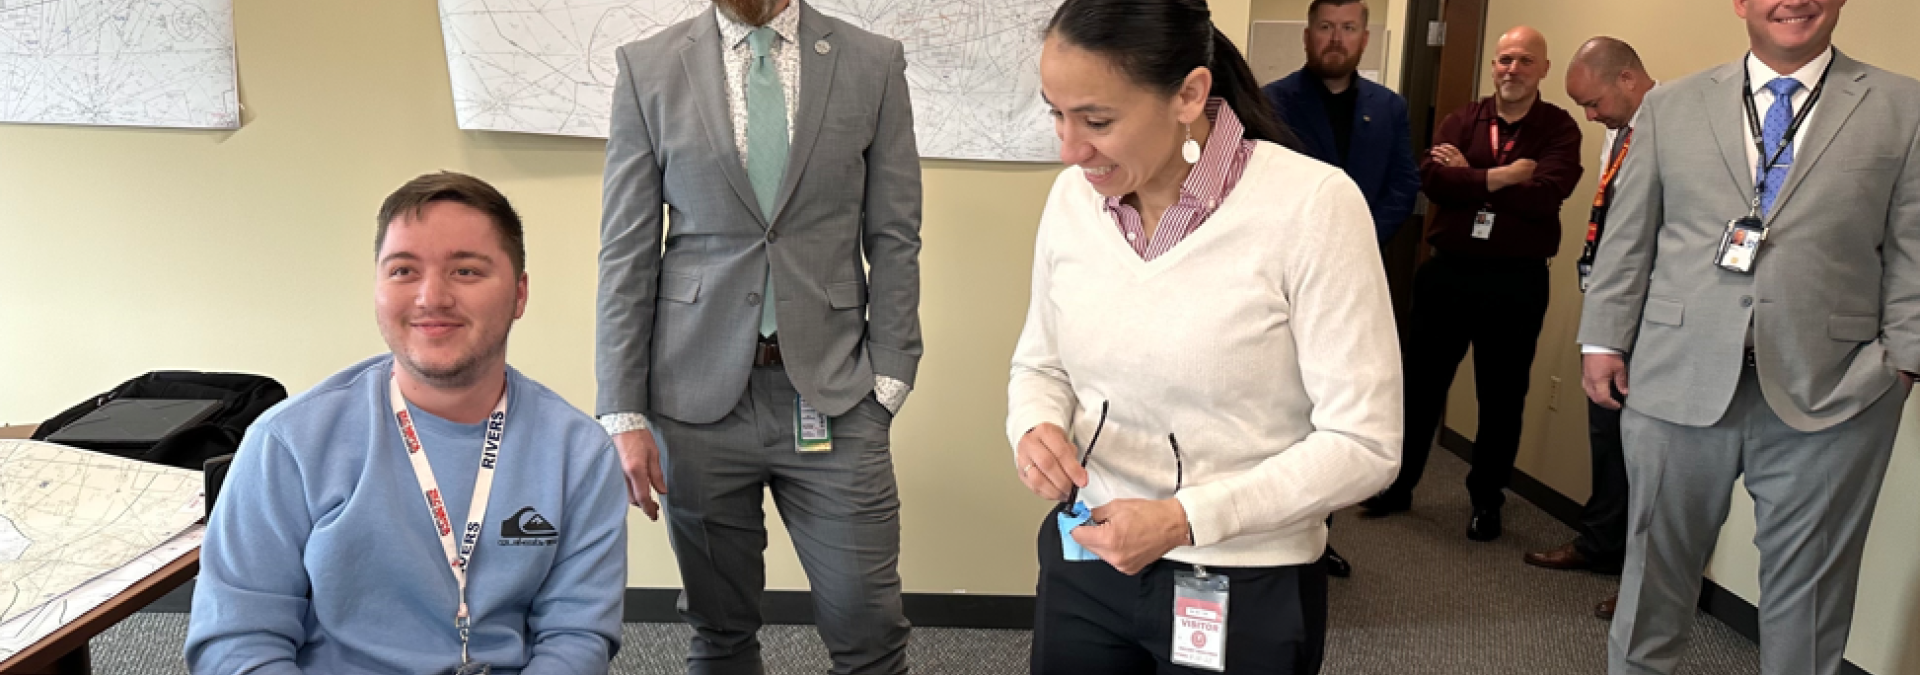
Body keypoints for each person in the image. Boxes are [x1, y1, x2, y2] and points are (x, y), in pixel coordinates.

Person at [1010, 0, 1401, 671]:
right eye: (1056, 111)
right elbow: (1040, 363)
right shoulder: (1073, 199)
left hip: (1246, 576)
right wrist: (1032, 423)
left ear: (1189, 94)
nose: (1069, 149)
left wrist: (1183, 517)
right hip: (1090, 557)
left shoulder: (1312, 206)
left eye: (1097, 120)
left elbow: (1364, 443)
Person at [1579, 0, 1920, 672]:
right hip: (1675, 380)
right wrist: (1603, 340)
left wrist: (1901, 365)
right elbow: (1630, 238)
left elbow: (1915, 248)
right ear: (1740, 2)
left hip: (1836, 393)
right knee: (1652, 582)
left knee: (1812, 605)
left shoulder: (1902, 106)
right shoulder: (1670, 106)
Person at [185, 172, 628, 674]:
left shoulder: (578, 452)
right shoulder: (289, 443)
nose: (431, 297)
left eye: (466, 271)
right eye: (403, 271)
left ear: (520, 294)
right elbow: (237, 642)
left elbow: (577, 634)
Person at [596, 0, 923, 671]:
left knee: (869, 625)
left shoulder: (873, 62)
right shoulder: (647, 67)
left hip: (834, 390)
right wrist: (622, 409)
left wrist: (889, 375)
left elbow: (894, 234)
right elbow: (626, 251)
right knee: (719, 626)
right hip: (694, 400)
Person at [1360, 26, 1583, 542]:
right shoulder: (1463, 118)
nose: (1513, 69)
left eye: (1526, 60)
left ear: (1543, 69)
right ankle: (1398, 486)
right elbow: (1433, 182)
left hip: (1517, 281)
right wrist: (1503, 176)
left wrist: (1472, 177)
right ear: (1493, 66)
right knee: (1420, 388)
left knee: (1502, 397)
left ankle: (1487, 501)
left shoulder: (1558, 128)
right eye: (1505, 59)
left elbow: (1548, 194)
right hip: (1449, 273)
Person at [1525, 36, 1654, 621]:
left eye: (1594, 103)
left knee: (1649, 454)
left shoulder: (1670, 128)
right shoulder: (1618, 132)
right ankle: (1601, 545)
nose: (1590, 116)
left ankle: (1646, 580)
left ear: (1627, 79)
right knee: (1608, 435)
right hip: (1613, 314)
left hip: (1657, 321)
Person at [1261, 0, 1420, 247]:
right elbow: (1261, 185)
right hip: (1289, 252)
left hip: (1365, 252)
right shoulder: (1270, 104)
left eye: (1349, 28)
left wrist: (1363, 239)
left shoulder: (1389, 107)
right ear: (1307, 36)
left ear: (1365, 39)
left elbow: (1403, 186)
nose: (1336, 39)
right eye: (1325, 27)